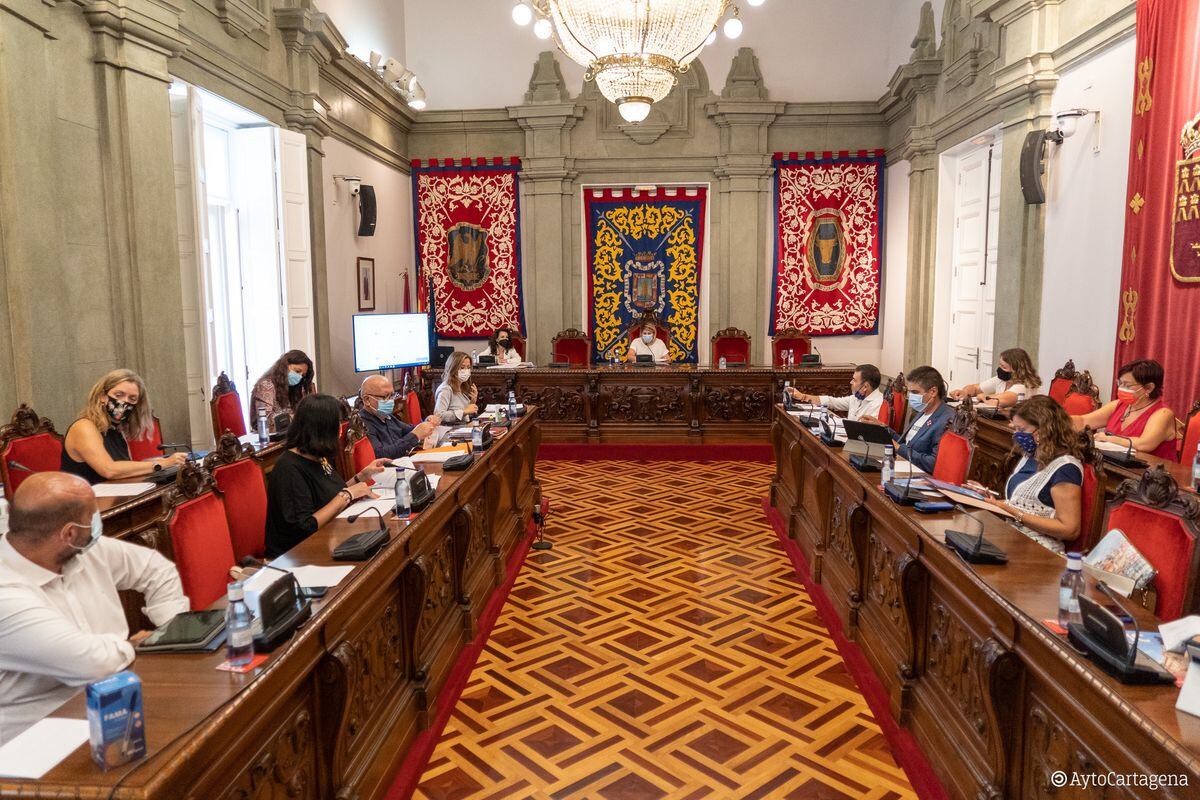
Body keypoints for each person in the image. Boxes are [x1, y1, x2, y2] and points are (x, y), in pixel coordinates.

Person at [0, 472, 189, 743]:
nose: (98, 520)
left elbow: (155, 569)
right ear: (70, 533)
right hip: (40, 740)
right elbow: (92, 663)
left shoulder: (82, 549)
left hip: (119, 703)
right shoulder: (6, 594)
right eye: (93, 515)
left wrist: (172, 629)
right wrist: (137, 645)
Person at [264, 394, 391, 557]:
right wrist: (348, 494)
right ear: (321, 429)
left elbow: (330, 494)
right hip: (298, 555)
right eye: (337, 424)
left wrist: (361, 476)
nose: (341, 429)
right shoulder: (289, 468)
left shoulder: (317, 455)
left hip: (329, 537)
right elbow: (304, 527)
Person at [975, 396, 1083, 553]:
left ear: (1044, 430)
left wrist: (1015, 513)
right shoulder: (1030, 455)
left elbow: (1069, 529)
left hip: (1040, 549)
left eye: (1022, 430)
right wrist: (992, 500)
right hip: (1012, 536)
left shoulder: (1066, 468)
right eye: (1016, 429)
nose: (1016, 435)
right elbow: (1021, 502)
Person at [60, 369, 186, 484]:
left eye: (132, 399)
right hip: (82, 503)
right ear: (102, 397)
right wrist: (161, 464)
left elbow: (122, 467)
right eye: (119, 395)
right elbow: (109, 470)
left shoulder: (116, 429)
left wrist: (162, 462)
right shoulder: (84, 427)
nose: (125, 402)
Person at [1071, 359, 1178, 459]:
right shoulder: (1119, 405)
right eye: (1120, 383)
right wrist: (1058, 420)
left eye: (1127, 385)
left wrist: (1108, 439)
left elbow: (1144, 444)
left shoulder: (1163, 414)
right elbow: (1083, 421)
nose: (1121, 388)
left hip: (1152, 474)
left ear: (1149, 387)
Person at [359, 376, 440, 459]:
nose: (391, 400)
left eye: (392, 395)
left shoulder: (386, 416)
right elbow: (381, 455)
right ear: (367, 400)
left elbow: (410, 430)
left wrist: (427, 423)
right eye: (385, 396)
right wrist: (415, 435)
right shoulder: (362, 425)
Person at [892, 366, 955, 473]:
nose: (910, 396)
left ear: (933, 392)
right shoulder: (922, 411)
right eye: (909, 392)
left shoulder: (947, 420)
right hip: (903, 466)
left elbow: (933, 464)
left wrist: (899, 449)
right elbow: (907, 443)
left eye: (915, 392)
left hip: (920, 476)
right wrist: (882, 428)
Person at [788, 364, 885, 422]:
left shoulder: (879, 404)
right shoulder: (856, 397)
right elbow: (831, 401)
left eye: (854, 380)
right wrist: (802, 396)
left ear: (865, 387)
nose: (851, 382)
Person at [950, 347, 1041, 408]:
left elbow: (1000, 400)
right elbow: (975, 388)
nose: (999, 369)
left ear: (1016, 370)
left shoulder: (1024, 385)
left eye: (1004, 367)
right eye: (1000, 365)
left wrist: (983, 397)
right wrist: (964, 392)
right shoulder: (1001, 380)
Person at [250, 350, 316, 431]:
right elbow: (266, 421)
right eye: (297, 371)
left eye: (303, 375)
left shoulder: (297, 387)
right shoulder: (266, 385)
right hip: (268, 437)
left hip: (290, 433)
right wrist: (298, 418)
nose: (299, 377)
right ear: (285, 366)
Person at [433, 352, 479, 423]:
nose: (466, 371)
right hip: (449, 431)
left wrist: (472, 403)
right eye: (462, 368)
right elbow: (438, 415)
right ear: (453, 368)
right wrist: (464, 411)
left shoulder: (461, 386)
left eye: (468, 367)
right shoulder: (446, 389)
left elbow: (463, 414)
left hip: (462, 428)